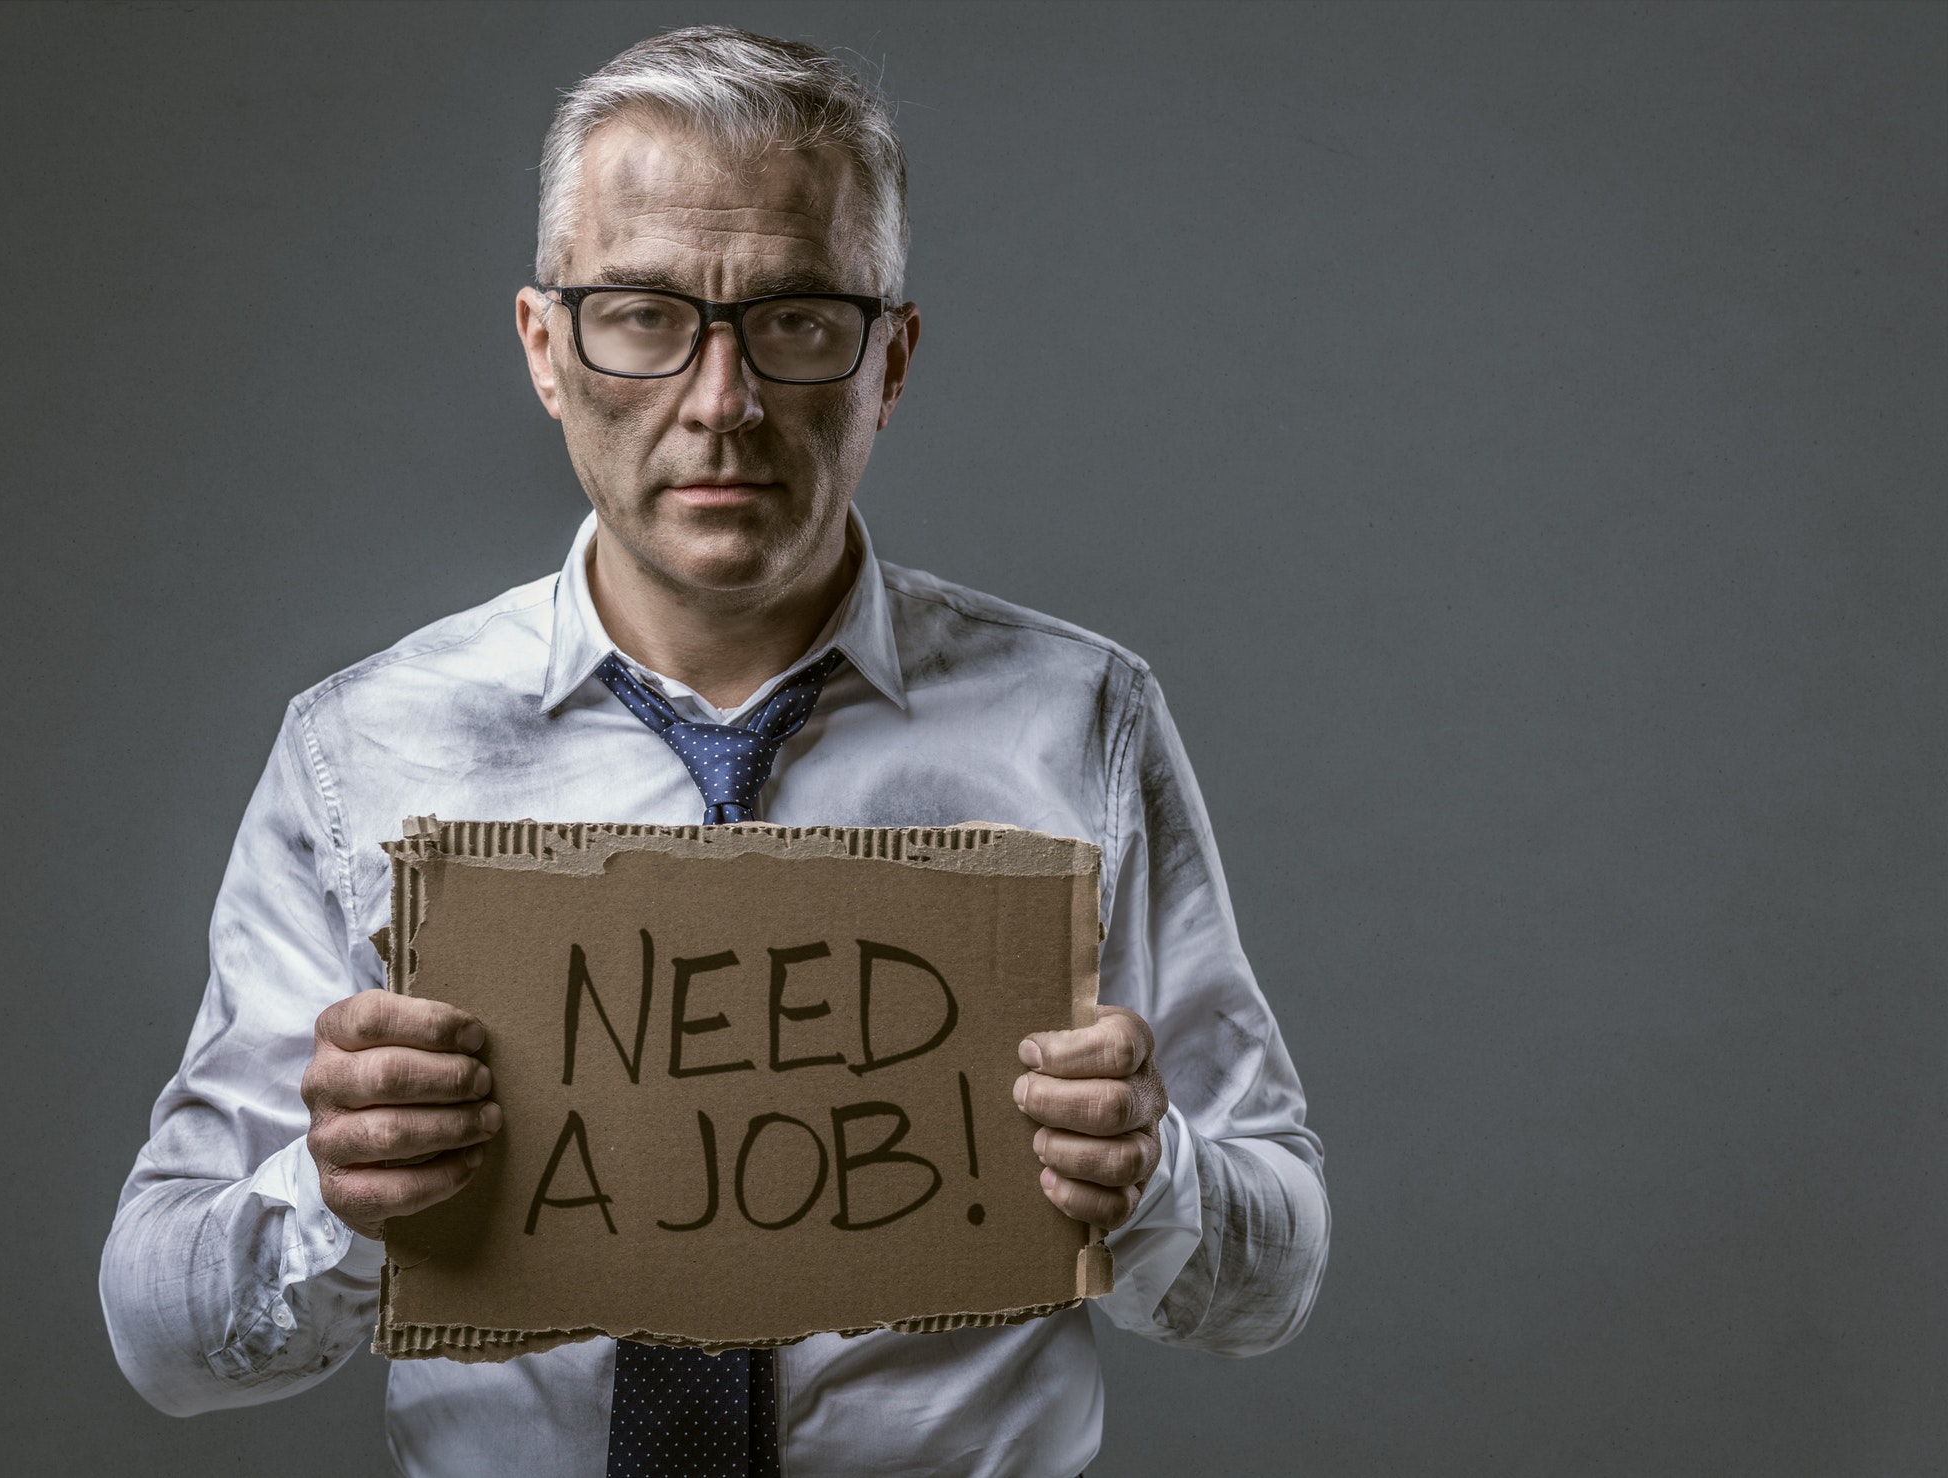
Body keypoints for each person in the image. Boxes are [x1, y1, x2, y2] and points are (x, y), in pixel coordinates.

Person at [99, 25, 1329, 1478]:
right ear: (546, 349)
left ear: (892, 360)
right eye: (641, 313)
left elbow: (1275, 1275)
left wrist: (1155, 1180)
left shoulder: (1081, 720)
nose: (722, 400)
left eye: (799, 319)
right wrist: (339, 1197)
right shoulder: (360, 753)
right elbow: (158, 1329)